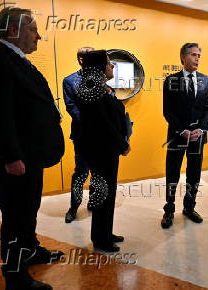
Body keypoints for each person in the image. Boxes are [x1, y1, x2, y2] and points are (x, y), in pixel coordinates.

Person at [0, 7, 65, 289]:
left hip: (31, 156)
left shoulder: (18, 60)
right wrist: (12, 157)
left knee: (29, 209)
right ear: (14, 31)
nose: (38, 35)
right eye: (32, 29)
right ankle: (15, 277)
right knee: (15, 216)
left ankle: (31, 249)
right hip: (14, 159)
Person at [75, 50, 130, 252]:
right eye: (108, 63)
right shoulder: (91, 87)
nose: (112, 66)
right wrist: (122, 144)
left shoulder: (99, 86)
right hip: (101, 150)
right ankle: (100, 239)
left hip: (107, 150)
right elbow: (103, 124)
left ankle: (105, 232)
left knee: (108, 193)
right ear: (98, 67)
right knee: (103, 194)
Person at [161, 43, 208, 229]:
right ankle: (169, 209)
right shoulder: (171, 81)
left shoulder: (207, 81)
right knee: (172, 174)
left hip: (198, 138)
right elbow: (168, 111)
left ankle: (189, 208)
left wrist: (201, 129)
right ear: (183, 57)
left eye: (199, 55)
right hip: (177, 136)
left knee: (194, 174)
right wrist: (183, 131)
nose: (197, 58)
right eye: (193, 55)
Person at [63, 47, 95, 223]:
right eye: (83, 57)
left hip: (101, 135)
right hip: (82, 134)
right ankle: (74, 206)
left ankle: (94, 202)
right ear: (80, 60)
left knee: (99, 172)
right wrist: (92, 121)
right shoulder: (69, 81)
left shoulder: (102, 78)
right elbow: (71, 107)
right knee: (81, 172)